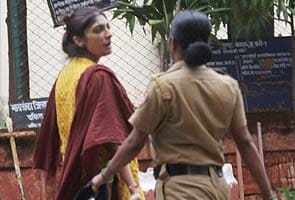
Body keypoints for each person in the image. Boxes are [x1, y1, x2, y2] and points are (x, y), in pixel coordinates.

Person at [90, 10, 277, 200]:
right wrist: (268, 194)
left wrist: (103, 176)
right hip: (217, 188)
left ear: (173, 44)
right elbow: (245, 143)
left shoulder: (163, 87)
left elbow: (134, 142)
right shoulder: (228, 86)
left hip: (180, 190)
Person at [33, 7, 143, 200]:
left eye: (108, 27)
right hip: (99, 183)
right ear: (78, 40)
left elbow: (48, 136)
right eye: (98, 29)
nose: (108, 34)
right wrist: (133, 187)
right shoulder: (98, 77)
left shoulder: (65, 75)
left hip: (73, 179)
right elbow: (111, 139)